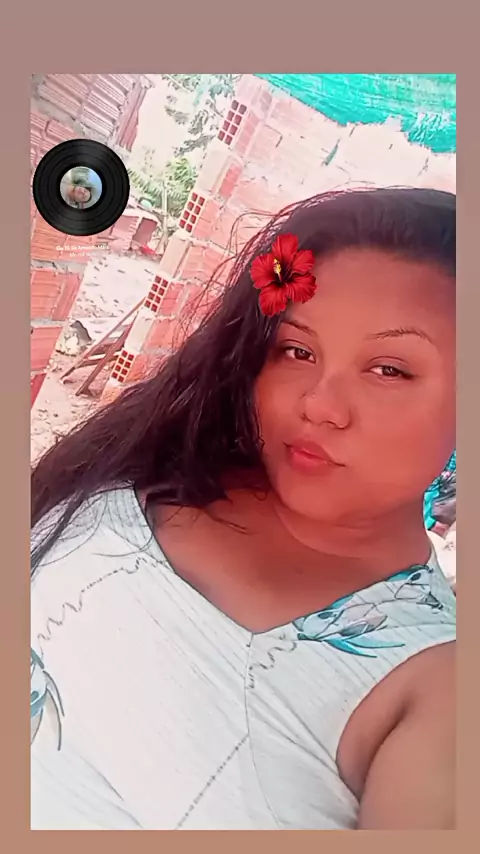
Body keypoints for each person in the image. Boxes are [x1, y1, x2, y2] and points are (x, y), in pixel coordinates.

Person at [30, 187, 456, 830]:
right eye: (298, 351)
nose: (319, 405)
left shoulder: (436, 684)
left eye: (390, 370)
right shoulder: (173, 449)